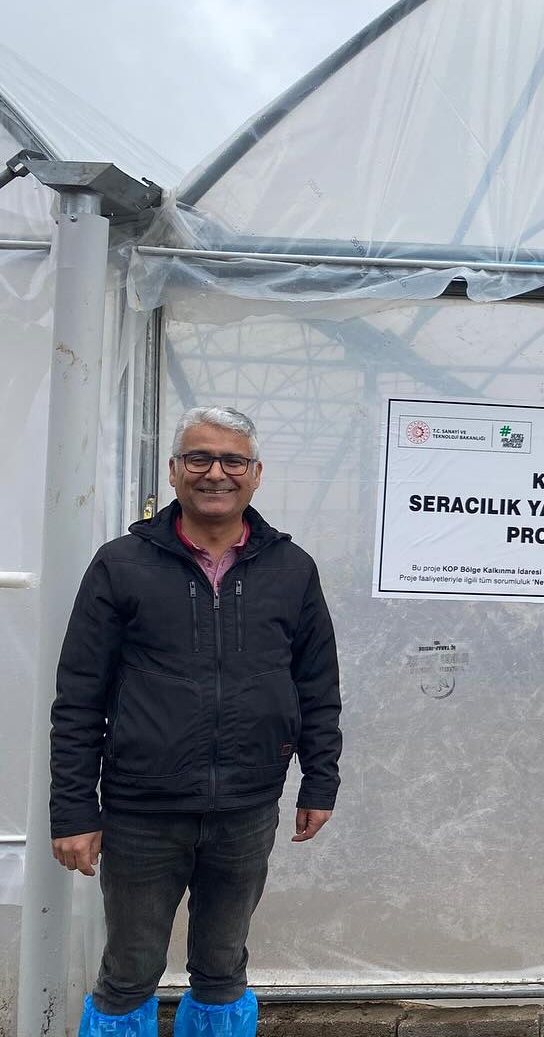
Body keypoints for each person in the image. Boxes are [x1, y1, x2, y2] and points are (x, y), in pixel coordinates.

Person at [49, 406, 342, 1037]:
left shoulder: (292, 569)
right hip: (142, 810)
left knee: (222, 967)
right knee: (129, 971)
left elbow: (317, 686)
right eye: (199, 458)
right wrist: (73, 810)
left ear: (256, 474)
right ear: (174, 471)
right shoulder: (121, 564)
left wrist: (320, 781)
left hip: (246, 806)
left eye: (233, 460)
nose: (216, 473)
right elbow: (78, 697)